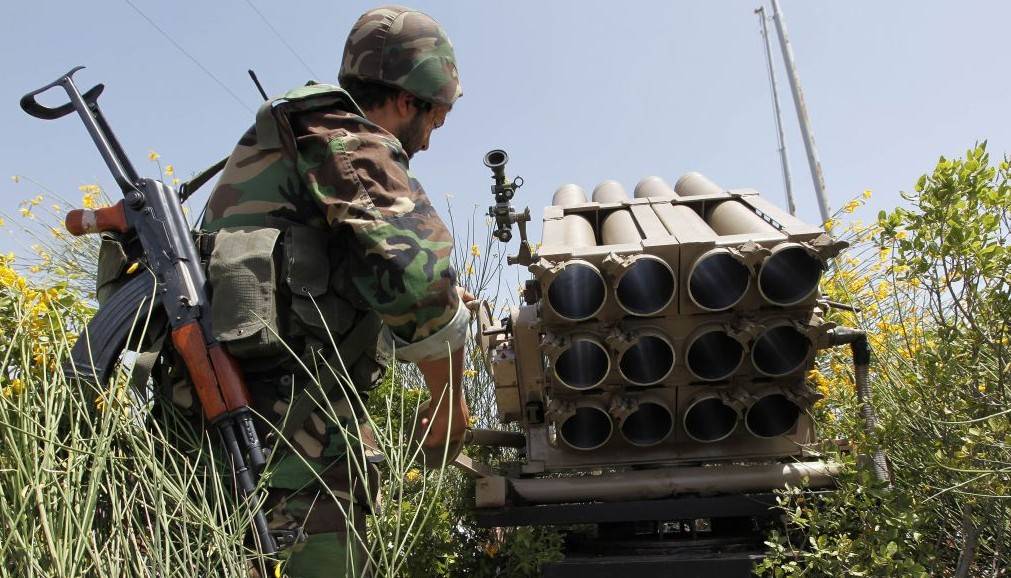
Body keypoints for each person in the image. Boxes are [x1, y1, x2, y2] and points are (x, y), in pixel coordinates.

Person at [190, 5, 471, 577]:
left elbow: (323, 284)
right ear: (406, 100)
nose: (430, 139)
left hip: (231, 437)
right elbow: (419, 281)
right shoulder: (346, 139)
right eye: (436, 119)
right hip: (292, 450)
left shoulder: (291, 139)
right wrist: (449, 403)